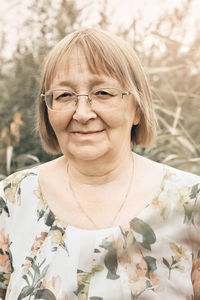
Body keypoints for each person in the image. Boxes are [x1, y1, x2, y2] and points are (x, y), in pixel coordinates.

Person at [0, 28, 199, 300]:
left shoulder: (190, 202)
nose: (82, 113)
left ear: (138, 109)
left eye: (103, 92)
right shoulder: (10, 202)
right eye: (64, 95)